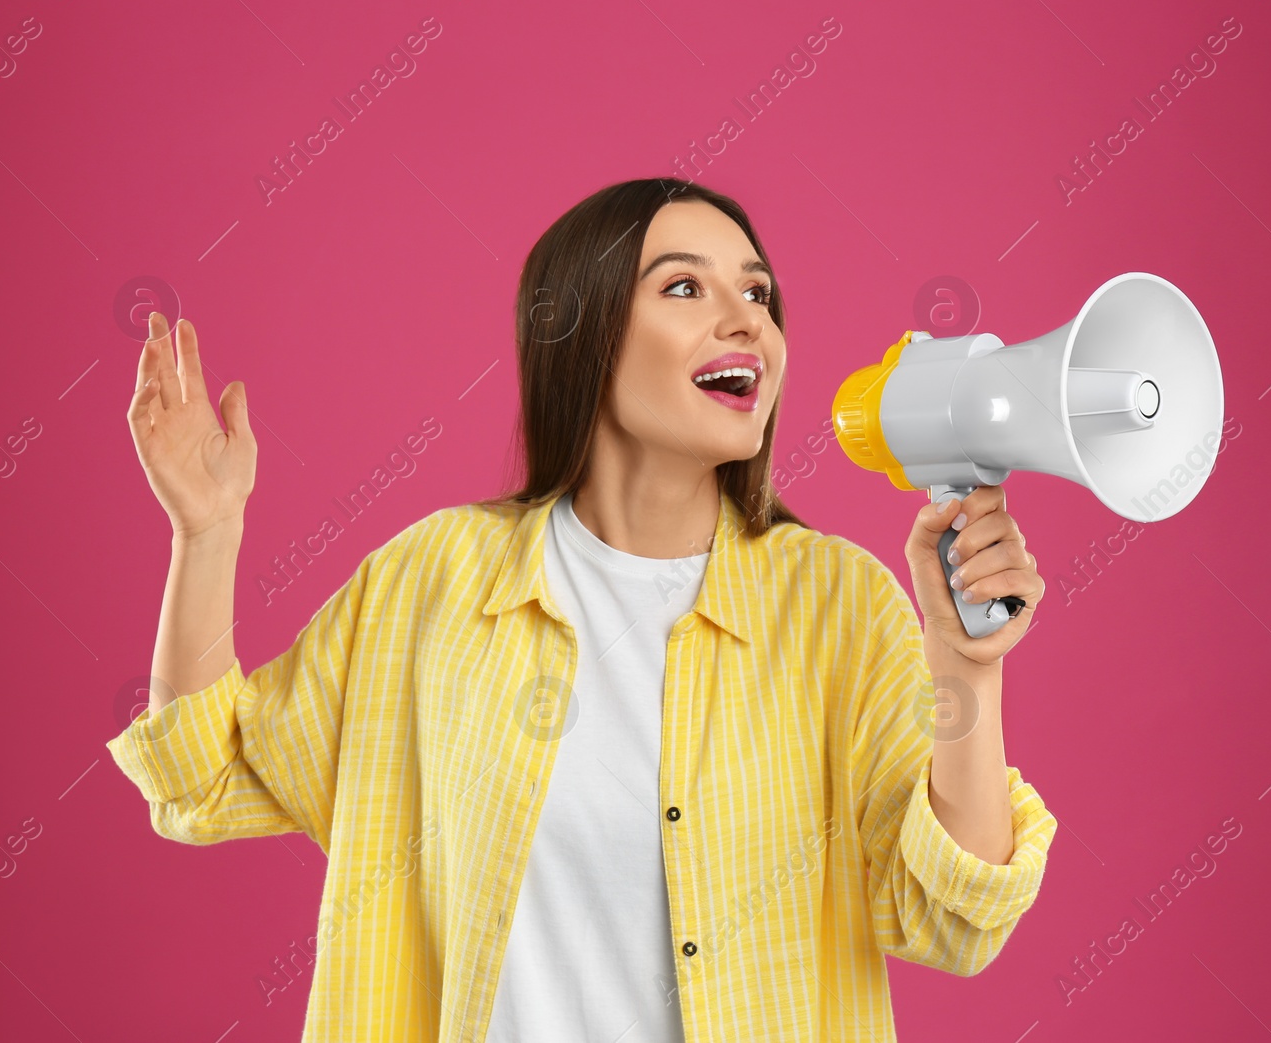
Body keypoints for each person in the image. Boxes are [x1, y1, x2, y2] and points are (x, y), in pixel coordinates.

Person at [107, 177, 1056, 1042]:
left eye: (758, 294)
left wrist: (966, 664)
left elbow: (955, 916)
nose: (746, 323)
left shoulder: (838, 604)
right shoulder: (432, 578)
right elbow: (204, 777)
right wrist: (208, 532)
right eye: (686, 288)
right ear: (584, 332)